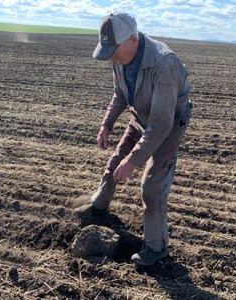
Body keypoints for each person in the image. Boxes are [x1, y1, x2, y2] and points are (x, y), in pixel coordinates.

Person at [75, 12, 192, 266]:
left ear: (133, 38)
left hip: (169, 124)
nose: (112, 56)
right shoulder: (120, 58)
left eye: (114, 49)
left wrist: (134, 160)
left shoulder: (164, 64)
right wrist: (107, 123)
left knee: (151, 187)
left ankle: (156, 246)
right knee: (115, 161)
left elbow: (160, 124)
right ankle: (99, 206)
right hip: (140, 115)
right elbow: (120, 94)